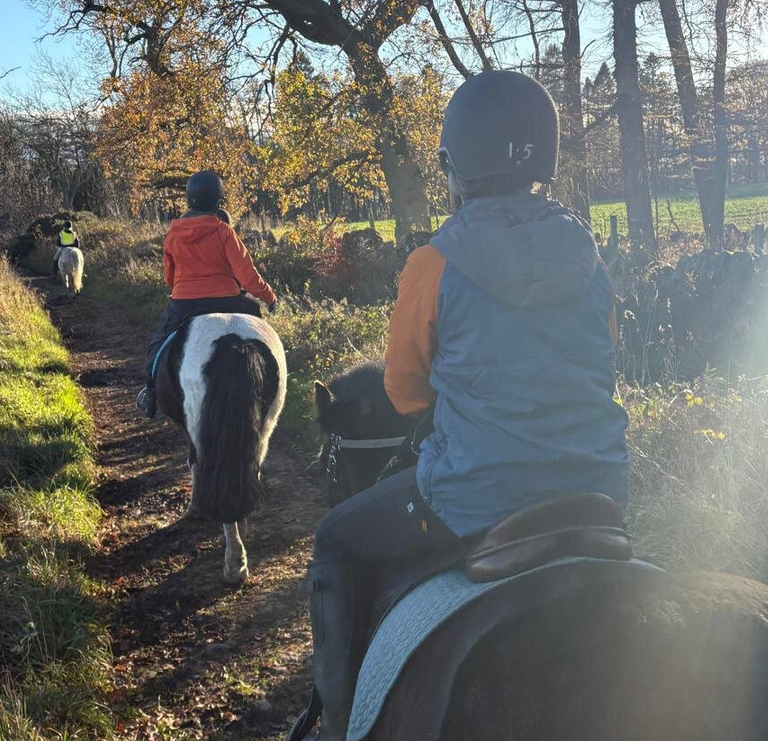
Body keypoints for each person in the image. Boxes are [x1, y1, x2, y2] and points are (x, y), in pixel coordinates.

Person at [288, 71, 630, 741]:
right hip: (600, 486)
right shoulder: (589, 255)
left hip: (476, 496)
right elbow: (605, 358)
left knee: (335, 539)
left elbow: (404, 392)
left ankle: (338, 724)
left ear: (454, 166)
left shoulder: (433, 262)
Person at [137, 170, 277, 418]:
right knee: (259, 334)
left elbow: (170, 276)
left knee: (158, 344)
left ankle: (150, 391)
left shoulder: (173, 233)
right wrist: (269, 297)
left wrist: (183, 287)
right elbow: (247, 275)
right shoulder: (223, 231)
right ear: (218, 200)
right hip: (228, 300)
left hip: (184, 302)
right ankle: (269, 381)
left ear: (189, 198)